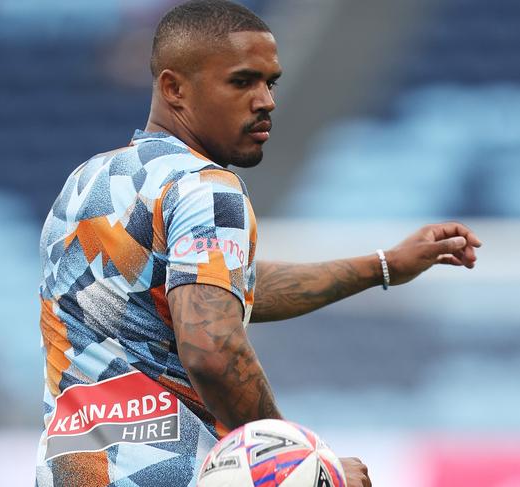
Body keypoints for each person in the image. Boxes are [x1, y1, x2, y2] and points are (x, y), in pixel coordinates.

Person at [35, 1, 482, 486]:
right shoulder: (206, 188)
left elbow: (218, 288)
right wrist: (305, 465)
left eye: (270, 83)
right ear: (174, 88)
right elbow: (212, 347)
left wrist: (384, 265)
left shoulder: (87, 183)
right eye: (242, 81)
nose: (266, 100)